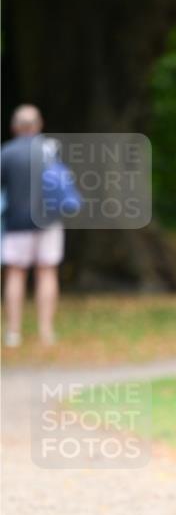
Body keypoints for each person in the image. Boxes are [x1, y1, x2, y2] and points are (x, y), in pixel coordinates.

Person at [1, 105, 64, 347]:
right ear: (38, 125)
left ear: (14, 127)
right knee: (47, 272)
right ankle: (46, 332)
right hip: (48, 221)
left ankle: (13, 333)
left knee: (16, 273)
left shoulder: (6, 153)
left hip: (16, 222)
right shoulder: (50, 150)